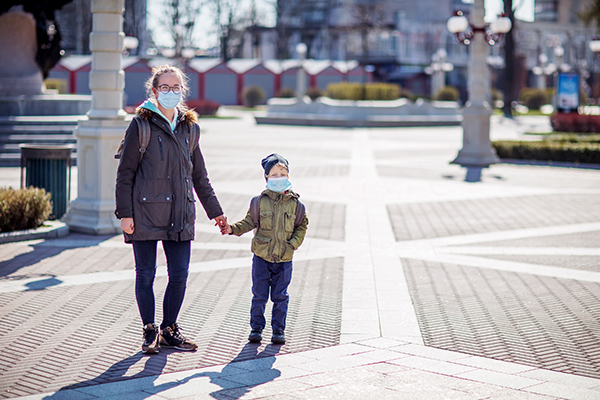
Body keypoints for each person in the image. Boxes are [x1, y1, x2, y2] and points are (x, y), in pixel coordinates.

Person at [115, 65, 227, 354]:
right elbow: (125, 173)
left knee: (179, 275)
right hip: (144, 214)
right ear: (154, 91)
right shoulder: (140, 125)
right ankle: (149, 330)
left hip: (180, 214)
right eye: (164, 87)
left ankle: (169, 328)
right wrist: (124, 214)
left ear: (182, 91)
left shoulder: (190, 128)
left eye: (176, 87)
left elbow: (200, 176)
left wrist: (216, 212)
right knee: (146, 275)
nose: (170, 92)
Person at [221, 154, 308, 344]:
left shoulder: (296, 204)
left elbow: (302, 226)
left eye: (283, 173)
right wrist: (231, 229)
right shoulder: (258, 202)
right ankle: (256, 328)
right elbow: (249, 222)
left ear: (289, 175)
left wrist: (293, 244)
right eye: (274, 174)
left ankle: (278, 330)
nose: (279, 177)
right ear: (267, 178)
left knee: (280, 296)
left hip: (284, 259)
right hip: (261, 257)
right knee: (259, 295)